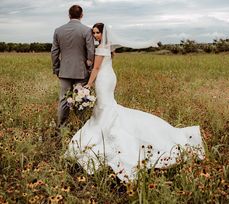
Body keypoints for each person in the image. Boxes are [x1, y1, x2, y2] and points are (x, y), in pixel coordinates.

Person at [66, 23, 205, 182]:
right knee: (107, 106)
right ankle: (105, 127)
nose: (95, 36)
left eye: (97, 33)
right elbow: (100, 64)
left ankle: (105, 132)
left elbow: (96, 70)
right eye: (94, 33)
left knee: (105, 107)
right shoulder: (109, 47)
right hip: (110, 77)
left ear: (103, 33)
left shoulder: (100, 48)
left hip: (103, 80)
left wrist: (88, 86)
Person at [51, 5, 95, 127]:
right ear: (82, 15)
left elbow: (54, 52)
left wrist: (57, 69)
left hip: (64, 71)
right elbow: (91, 51)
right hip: (81, 71)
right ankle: (80, 126)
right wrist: (89, 67)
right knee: (81, 99)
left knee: (63, 100)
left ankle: (61, 127)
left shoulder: (58, 30)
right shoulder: (86, 30)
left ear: (69, 15)